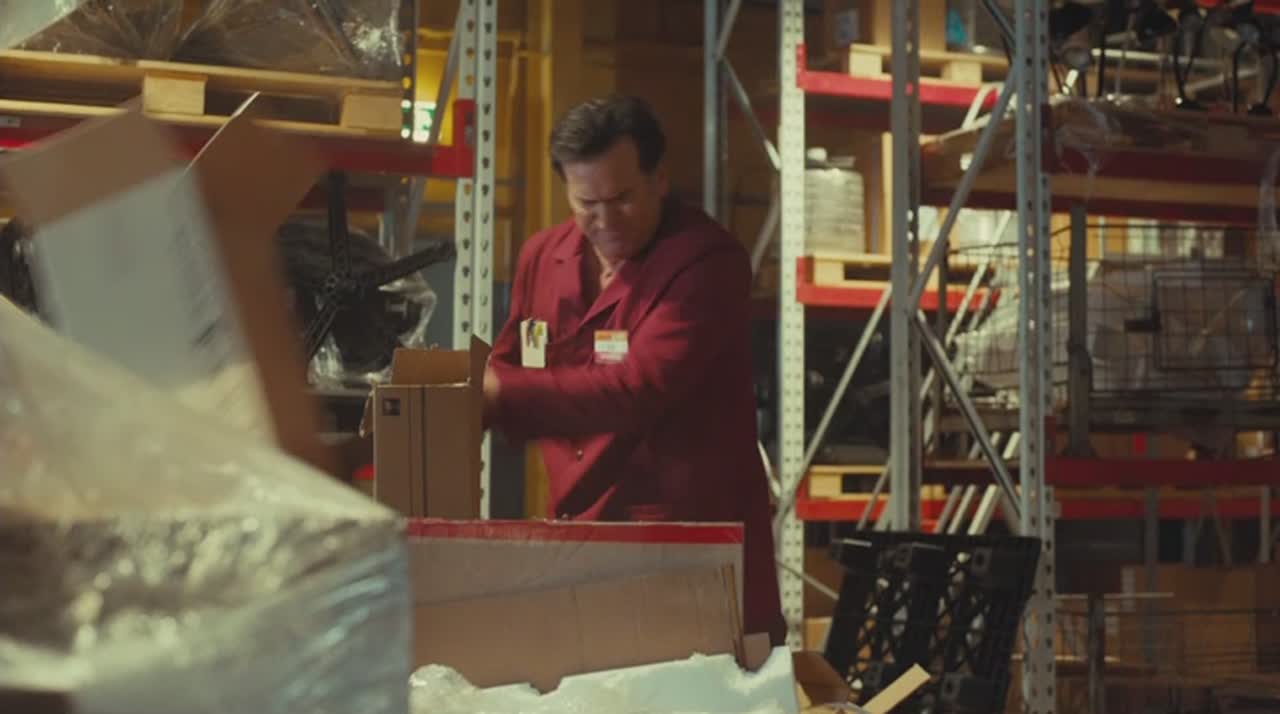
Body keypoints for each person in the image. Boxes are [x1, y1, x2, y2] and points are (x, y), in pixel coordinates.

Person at [482, 94, 786, 645]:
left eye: (622, 199)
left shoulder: (707, 262)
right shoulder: (541, 257)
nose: (604, 222)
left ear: (659, 179)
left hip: (687, 547)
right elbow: (508, 362)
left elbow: (637, 388)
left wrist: (502, 394)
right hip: (580, 537)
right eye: (586, 203)